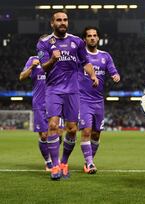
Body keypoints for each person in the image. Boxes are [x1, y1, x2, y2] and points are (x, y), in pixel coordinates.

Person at [37, 11, 99, 180]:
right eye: (59, 20)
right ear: (52, 23)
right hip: (53, 90)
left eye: (65, 20)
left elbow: (85, 62)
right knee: (53, 126)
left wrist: (92, 75)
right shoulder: (44, 43)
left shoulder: (77, 41)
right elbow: (43, 68)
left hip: (72, 90)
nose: (62, 22)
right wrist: (53, 60)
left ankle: (64, 162)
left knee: (72, 129)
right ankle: (55, 166)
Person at [78, 26, 120, 174]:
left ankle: (89, 161)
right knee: (87, 131)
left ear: (98, 38)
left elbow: (114, 72)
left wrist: (116, 76)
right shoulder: (80, 56)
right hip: (83, 99)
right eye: (89, 36)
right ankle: (89, 164)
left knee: (96, 134)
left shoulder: (105, 56)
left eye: (95, 35)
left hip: (98, 101)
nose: (92, 38)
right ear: (85, 39)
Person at [19, 39, 53, 171]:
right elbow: (22, 77)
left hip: (56, 101)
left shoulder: (56, 59)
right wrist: (32, 67)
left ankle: (55, 158)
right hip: (39, 103)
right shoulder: (33, 59)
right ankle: (48, 161)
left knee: (58, 133)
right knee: (44, 135)